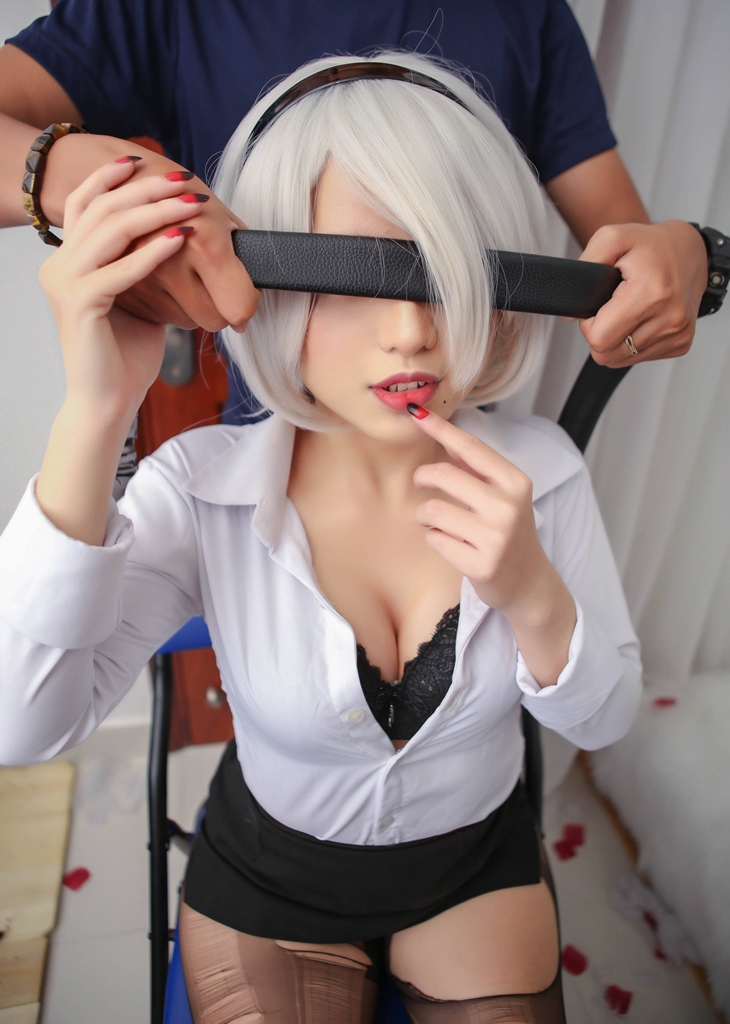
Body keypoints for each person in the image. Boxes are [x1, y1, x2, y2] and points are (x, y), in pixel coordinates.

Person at [0, 52, 641, 1023]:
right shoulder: (202, 493)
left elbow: (605, 720)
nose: (411, 332)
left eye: (444, 276)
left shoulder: (543, 474)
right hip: (273, 879)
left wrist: (534, 595)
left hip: (476, 864)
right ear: (268, 283)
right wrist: (95, 409)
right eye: (353, 278)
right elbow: (22, 725)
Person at [0, 0, 709, 400]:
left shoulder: (525, 14)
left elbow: (630, 258)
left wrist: (689, 254)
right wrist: (75, 176)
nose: (408, 331)